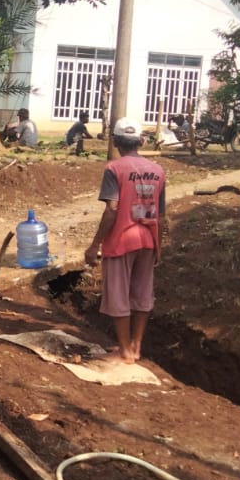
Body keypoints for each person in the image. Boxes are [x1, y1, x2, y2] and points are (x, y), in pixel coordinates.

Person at [84, 117, 166, 364]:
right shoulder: (158, 171)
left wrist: (95, 244)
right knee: (142, 295)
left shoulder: (114, 169)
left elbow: (112, 209)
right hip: (148, 239)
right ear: (140, 141)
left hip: (122, 239)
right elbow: (161, 215)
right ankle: (136, 346)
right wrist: (158, 246)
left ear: (116, 142)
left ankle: (124, 351)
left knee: (119, 295)